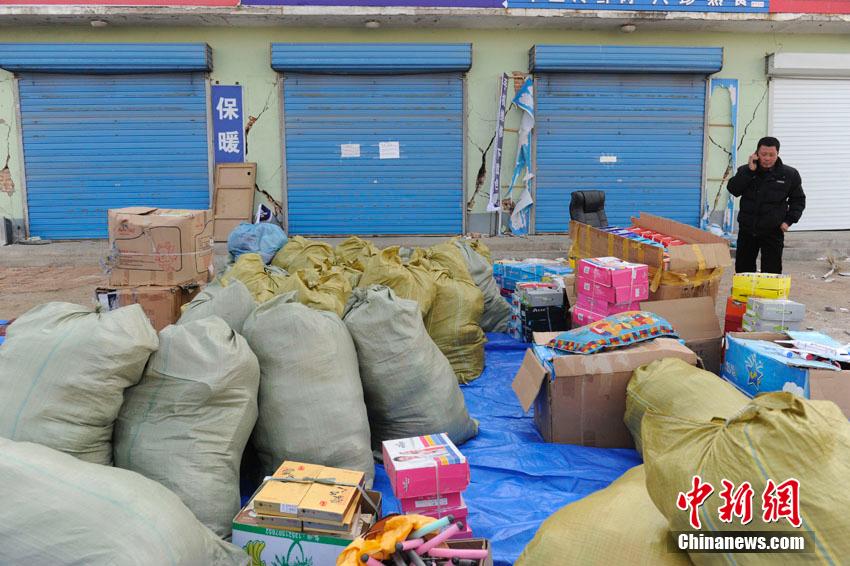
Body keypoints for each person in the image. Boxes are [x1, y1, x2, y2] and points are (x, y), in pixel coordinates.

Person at [727, 136, 806, 274]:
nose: (767, 158)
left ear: (777, 154)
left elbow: (798, 200)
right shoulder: (746, 171)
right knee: (743, 270)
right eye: (763, 154)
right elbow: (734, 190)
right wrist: (749, 171)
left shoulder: (789, 174)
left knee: (772, 271)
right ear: (757, 154)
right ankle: (743, 296)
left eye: (771, 155)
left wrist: (788, 221)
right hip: (748, 230)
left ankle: (768, 296)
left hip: (773, 230)